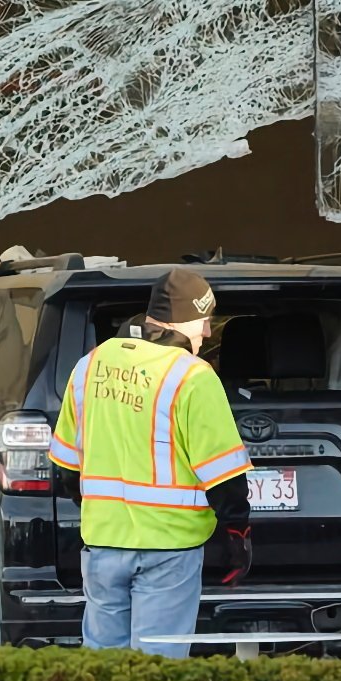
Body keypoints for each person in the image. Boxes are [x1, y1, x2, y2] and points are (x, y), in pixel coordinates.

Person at [48, 268, 253, 657]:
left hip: (102, 549)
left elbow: (65, 472)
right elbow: (225, 478)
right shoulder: (192, 375)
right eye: (204, 322)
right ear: (181, 320)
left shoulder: (89, 365)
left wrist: (110, 514)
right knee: (158, 672)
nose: (207, 334)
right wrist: (237, 536)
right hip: (169, 551)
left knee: (104, 674)